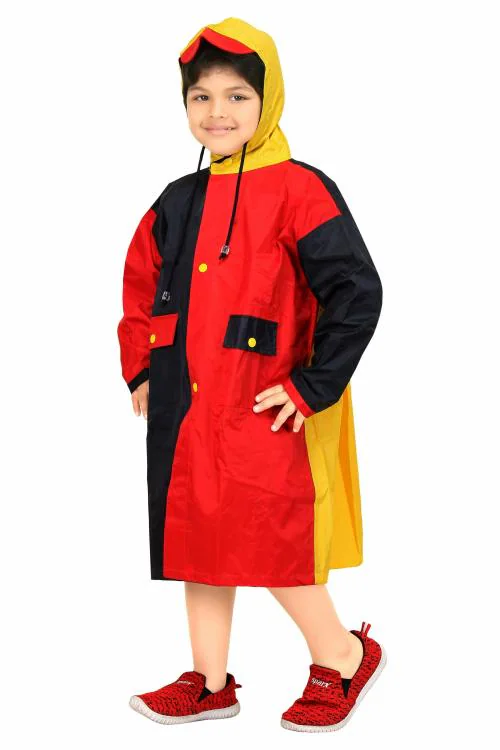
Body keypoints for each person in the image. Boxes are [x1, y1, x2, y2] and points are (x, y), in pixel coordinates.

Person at [117, 17, 386, 732]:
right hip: (184, 402)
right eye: (200, 97)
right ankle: (210, 681)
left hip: (267, 401)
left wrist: (312, 385)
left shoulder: (301, 189)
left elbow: (356, 291)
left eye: (237, 96)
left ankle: (343, 656)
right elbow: (141, 285)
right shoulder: (176, 201)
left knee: (270, 535)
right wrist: (141, 367)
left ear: (269, 100)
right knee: (197, 535)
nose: (218, 113)